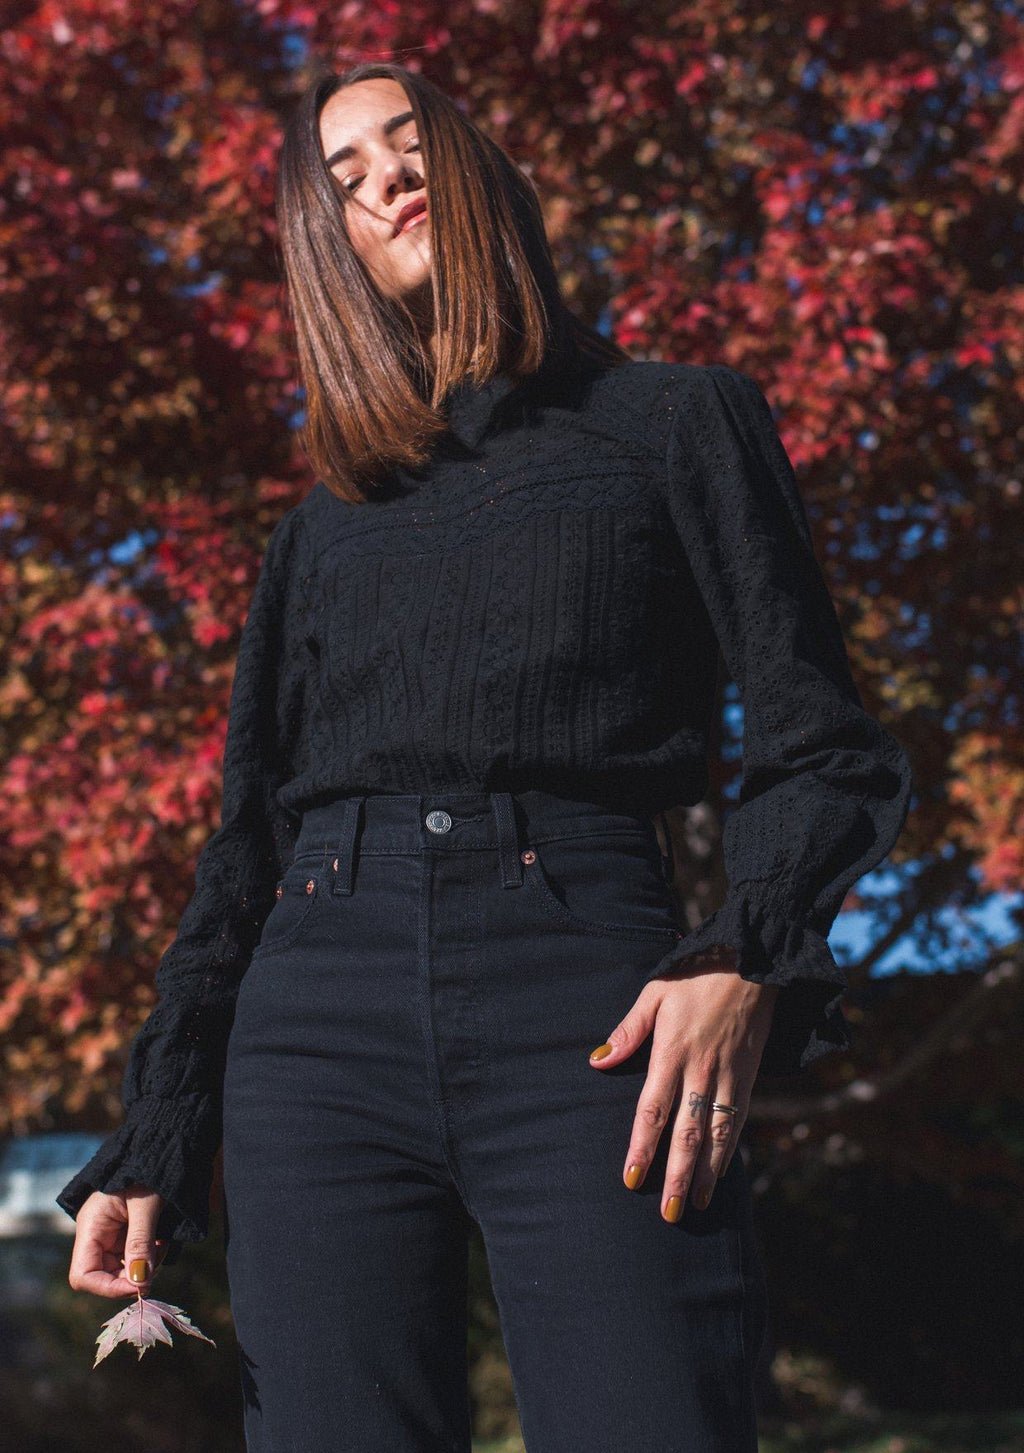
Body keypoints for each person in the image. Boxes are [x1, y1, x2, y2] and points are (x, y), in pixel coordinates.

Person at [58, 60, 914, 1452]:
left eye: (409, 143)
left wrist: (742, 955)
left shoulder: (674, 420)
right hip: (314, 1017)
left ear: (475, 168)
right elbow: (245, 845)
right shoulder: (320, 530)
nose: (389, 180)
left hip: (589, 994)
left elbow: (823, 743)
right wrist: (159, 1126)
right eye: (344, 179)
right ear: (327, 248)